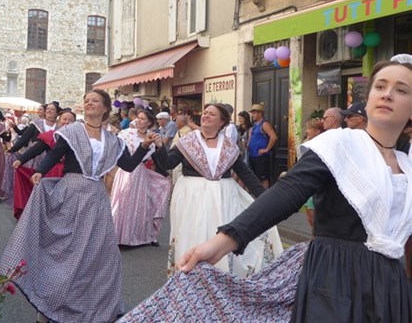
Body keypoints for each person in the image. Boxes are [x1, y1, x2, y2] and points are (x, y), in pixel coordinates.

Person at [171, 61, 412, 322]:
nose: (387, 94)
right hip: (334, 281)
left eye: (401, 90)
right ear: (368, 101)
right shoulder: (339, 144)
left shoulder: (407, 166)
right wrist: (221, 243)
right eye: (380, 86)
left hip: (389, 288)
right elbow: (288, 191)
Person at [0, 89, 160, 323]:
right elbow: (55, 154)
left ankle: (92, 307)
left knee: (99, 257)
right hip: (70, 194)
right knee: (63, 254)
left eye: (95, 100)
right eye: (86, 101)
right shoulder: (71, 131)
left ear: (106, 108)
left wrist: (144, 146)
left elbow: (129, 165)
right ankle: (46, 308)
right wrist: (40, 171)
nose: (89, 103)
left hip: (96, 200)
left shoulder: (114, 140)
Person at [152, 103, 283, 278]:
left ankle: (220, 280)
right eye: (205, 112)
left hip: (224, 198)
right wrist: (160, 147)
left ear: (221, 121)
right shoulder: (188, 141)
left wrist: (268, 198)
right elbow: (167, 163)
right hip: (193, 197)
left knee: (223, 238)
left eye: (211, 114)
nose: (205, 116)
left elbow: (245, 174)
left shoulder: (228, 145)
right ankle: (191, 281)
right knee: (193, 236)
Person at [110, 109, 172, 246]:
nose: (138, 120)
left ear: (149, 122)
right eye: (138, 118)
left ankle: (143, 236)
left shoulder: (153, 136)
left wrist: (165, 174)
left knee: (143, 204)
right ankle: (119, 236)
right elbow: (123, 155)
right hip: (127, 171)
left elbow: (158, 158)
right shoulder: (125, 134)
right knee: (123, 202)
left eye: (142, 119)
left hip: (142, 173)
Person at [11, 109, 76, 220]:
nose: (67, 122)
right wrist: (21, 160)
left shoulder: (78, 138)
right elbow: (36, 149)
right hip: (52, 171)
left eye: (71, 120)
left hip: (69, 174)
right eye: (65, 119)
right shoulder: (51, 136)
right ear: (59, 120)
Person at [248, 103, 278, 188]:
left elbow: (274, 137)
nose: (252, 115)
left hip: (261, 157)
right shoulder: (255, 125)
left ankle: (264, 197)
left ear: (260, 113)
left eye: (254, 113)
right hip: (253, 155)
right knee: (255, 177)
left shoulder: (264, 124)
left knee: (263, 178)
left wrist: (266, 149)